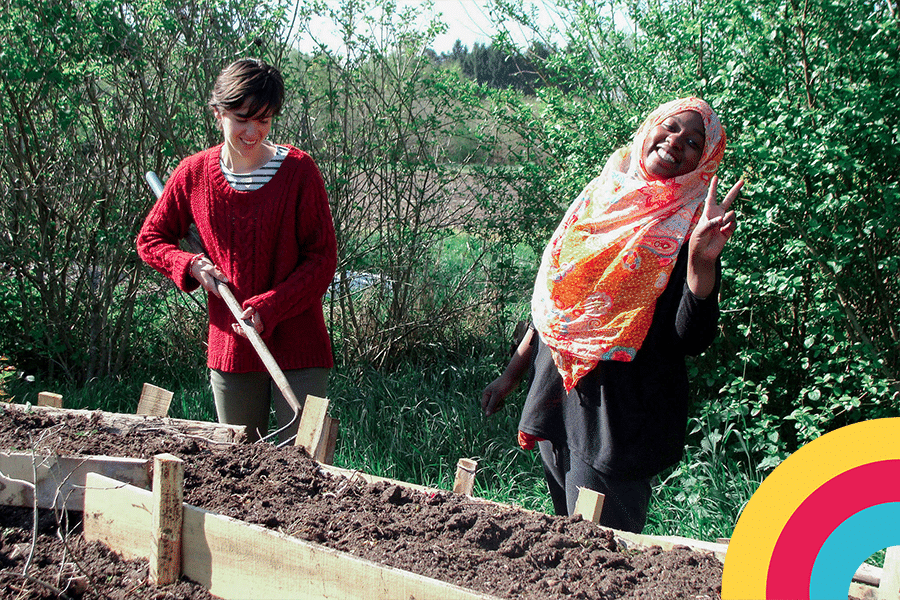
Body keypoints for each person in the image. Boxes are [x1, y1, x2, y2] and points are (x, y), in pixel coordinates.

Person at [481, 97, 743, 533]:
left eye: (694, 141)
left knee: (602, 558)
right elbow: (558, 296)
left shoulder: (692, 225)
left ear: (704, 160)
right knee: (563, 546)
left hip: (617, 421)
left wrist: (700, 263)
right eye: (672, 127)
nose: (678, 141)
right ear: (650, 127)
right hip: (558, 396)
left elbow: (690, 338)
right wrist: (513, 371)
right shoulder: (603, 194)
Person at [137, 58, 337, 442]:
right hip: (231, 346)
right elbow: (150, 239)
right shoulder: (193, 174)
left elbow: (322, 259)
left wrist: (269, 308)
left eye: (263, 120)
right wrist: (190, 265)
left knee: (304, 467)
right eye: (242, 118)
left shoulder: (299, 172)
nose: (252, 131)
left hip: (299, 347)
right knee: (241, 466)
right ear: (218, 113)